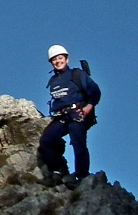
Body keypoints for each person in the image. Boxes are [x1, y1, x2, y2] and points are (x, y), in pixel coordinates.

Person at [38, 44, 100, 189]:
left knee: (78, 144)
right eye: (54, 59)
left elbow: (95, 91)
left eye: (60, 58)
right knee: (46, 141)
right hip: (61, 116)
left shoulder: (76, 74)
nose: (58, 61)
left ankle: (81, 176)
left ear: (66, 59)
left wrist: (88, 107)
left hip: (77, 113)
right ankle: (56, 173)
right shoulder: (53, 81)